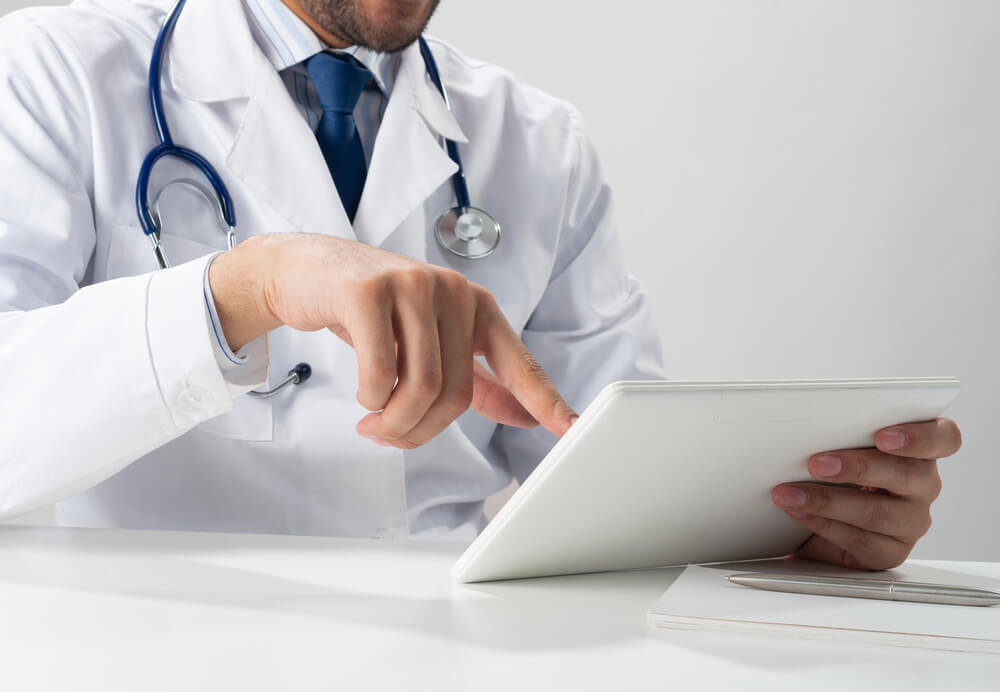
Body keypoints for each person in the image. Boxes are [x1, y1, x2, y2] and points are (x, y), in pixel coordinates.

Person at [0, 0, 961, 568]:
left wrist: (784, 532)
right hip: (149, 650)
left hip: (450, 653)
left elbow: (609, 482)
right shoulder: (49, 73)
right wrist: (249, 287)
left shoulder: (533, 137)